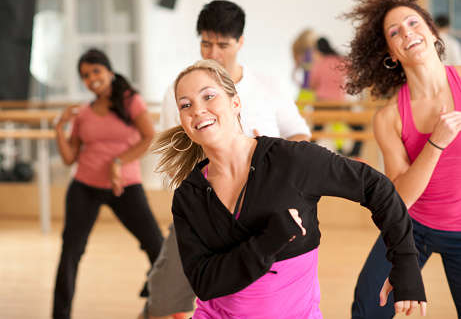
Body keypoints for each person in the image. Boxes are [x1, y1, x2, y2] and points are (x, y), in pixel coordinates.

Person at [153, 59, 427, 318]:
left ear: (235, 102)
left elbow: (375, 186)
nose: (197, 109)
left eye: (208, 96)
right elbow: (204, 282)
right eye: (185, 105)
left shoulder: (292, 161)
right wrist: (269, 240)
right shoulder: (189, 197)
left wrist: (405, 264)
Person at [141, 0, 311, 319]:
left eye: (223, 44)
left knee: (251, 300)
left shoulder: (267, 86)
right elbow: (176, 154)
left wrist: (267, 151)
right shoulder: (179, 92)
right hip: (204, 207)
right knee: (164, 299)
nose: (214, 53)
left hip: (260, 213)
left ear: (240, 43)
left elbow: (300, 137)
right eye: (206, 43)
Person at [342, 0, 461, 319]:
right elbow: (401, 199)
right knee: (367, 309)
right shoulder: (389, 117)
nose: (407, 32)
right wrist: (435, 143)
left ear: (432, 33)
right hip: (413, 227)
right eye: (395, 32)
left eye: (413, 22)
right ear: (391, 54)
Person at [52, 49, 163, 319]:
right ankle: (60, 315)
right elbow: (69, 158)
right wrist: (59, 129)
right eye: (85, 76)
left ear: (109, 71)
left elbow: (149, 137)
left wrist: (118, 162)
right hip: (84, 187)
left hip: (125, 187)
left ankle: (159, 302)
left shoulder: (131, 101)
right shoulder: (83, 115)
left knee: (158, 246)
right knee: (71, 253)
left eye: (95, 71)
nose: (91, 79)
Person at [309, 37, 364, 157]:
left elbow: (312, 84)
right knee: (359, 128)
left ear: (318, 49)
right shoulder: (342, 60)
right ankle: (354, 153)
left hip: (321, 103)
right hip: (339, 103)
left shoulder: (320, 63)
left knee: (316, 130)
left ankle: (309, 153)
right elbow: (356, 75)